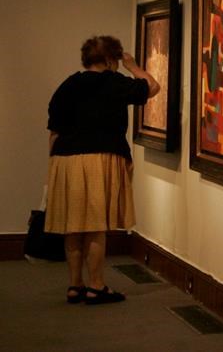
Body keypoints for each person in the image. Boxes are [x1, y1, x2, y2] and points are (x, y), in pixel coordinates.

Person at [45, 35, 159, 305]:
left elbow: (54, 132)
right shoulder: (114, 82)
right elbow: (152, 87)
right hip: (100, 158)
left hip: (65, 159)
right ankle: (96, 286)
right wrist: (132, 66)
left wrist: (53, 167)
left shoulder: (67, 85)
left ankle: (75, 285)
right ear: (110, 60)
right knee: (96, 226)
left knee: (73, 226)